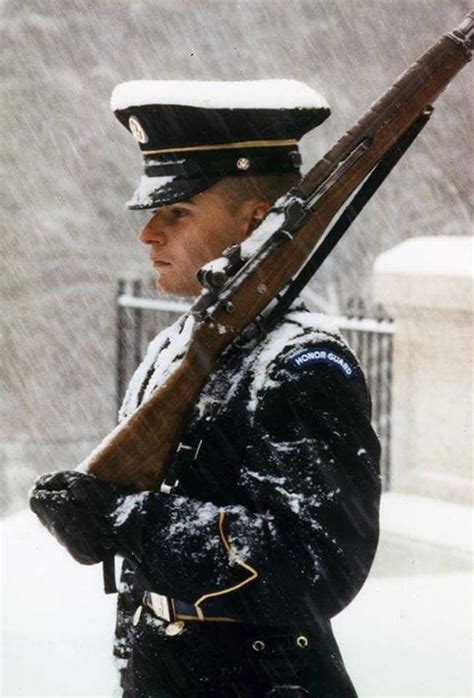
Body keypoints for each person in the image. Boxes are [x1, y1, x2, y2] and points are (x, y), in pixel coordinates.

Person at [30, 80, 381, 697]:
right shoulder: (176, 347)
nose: (149, 235)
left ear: (253, 222)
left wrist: (124, 519)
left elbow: (318, 565)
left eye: (178, 212)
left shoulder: (301, 365)